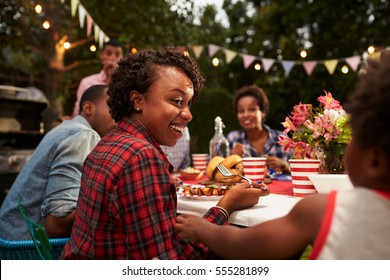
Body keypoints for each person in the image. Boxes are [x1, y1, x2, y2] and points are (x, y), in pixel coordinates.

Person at [175, 51, 390, 260]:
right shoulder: (234, 138)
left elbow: (246, 244)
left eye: (350, 140)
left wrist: (203, 229)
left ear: (374, 160)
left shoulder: (322, 210)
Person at [60, 47, 267, 260]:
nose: (188, 115)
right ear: (138, 100)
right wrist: (226, 206)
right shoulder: (141, 157)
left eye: (188, 104)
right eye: (177, 101)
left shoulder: (107, 144)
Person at [0, 85, 116, 240]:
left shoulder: (66, 129)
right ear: (88, 108)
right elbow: (57, 225)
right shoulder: (83, 135)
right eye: (112, 107)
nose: (118, 117)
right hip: (26, 250)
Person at [227, 85, 292, 174]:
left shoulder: (281, 138)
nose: (246, 115)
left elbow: (299, 172)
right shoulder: (233, 138)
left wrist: (285, 166)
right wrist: (232, 158)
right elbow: (217, 170)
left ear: (263, 112)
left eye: (252, 109)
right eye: (241, 111)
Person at [72, 39, 124, 116]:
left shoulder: (125, 83)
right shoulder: (87, 82)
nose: (113, 58)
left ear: (122, 58)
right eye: (109, 53)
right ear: (101, 55)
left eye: (117, 55)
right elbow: (78, 113)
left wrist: (113, 78)